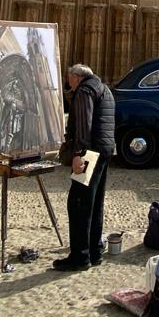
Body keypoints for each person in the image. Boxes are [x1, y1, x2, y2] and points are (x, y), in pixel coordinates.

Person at [52, 63, 116, 272]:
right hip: (104, 151)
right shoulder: (105, 90)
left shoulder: (84, 91)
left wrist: (78, 154)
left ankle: (80, 256)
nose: (68, 84)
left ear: (77, 77)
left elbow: (83, 124)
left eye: (69, 79)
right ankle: (95, 251)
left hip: (89, 154)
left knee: (78, 203)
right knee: (95, 203)